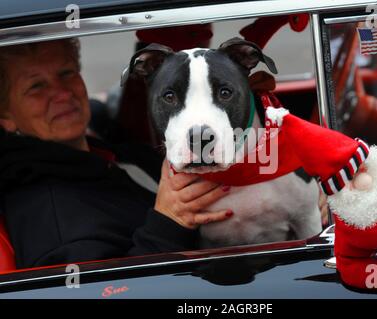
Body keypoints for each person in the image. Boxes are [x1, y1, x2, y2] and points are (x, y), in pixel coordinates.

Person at [0, 39, 233, 269]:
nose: (62, 94)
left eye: (66, 73)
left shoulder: (110, 151)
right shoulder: (49, 217)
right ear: (5, 117)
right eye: (36, 87)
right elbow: (101, 294)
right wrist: (170, 223)